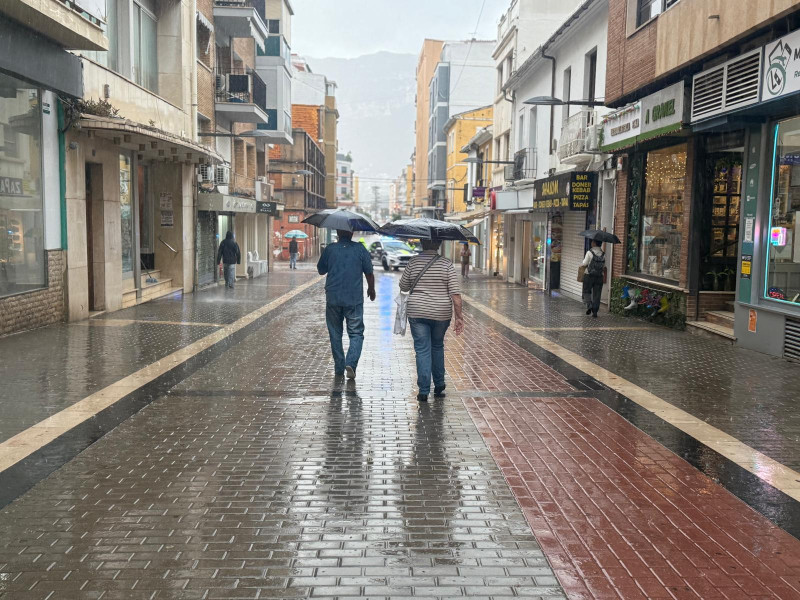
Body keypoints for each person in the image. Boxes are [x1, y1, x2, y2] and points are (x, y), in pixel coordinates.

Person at [399, 239, 463, 402]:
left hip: (417, 311)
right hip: (441, 313)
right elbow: (455, 293)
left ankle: (423, 390)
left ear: (421, 243)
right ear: (439, 244)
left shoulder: (413, 262)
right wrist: (459, 317)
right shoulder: (446, 264)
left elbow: (403, 286)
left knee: (422, 349)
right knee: (437, 345)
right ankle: (439, 384)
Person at [317, 229, 376, 380]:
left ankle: (339, 368)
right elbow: (369, 272)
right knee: (356, 333)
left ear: (337, 232)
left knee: (335, 333)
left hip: (333, 298)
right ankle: (351, 363)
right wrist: (371, 289)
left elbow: (321, 270)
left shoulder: (330, 249)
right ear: (352, 233)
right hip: (354, 298)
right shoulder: (360, 249)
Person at [582, 239, 606, 318]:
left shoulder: (589, 252)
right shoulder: (603, 254)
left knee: (586, 291)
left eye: (592, 241)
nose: (591, 243)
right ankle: (595, 311)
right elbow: (604, 266)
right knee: (597, 294)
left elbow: (584, 263)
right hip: (599, 276)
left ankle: (589, 306)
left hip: (589, 276)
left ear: (594, 243)